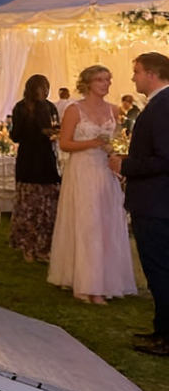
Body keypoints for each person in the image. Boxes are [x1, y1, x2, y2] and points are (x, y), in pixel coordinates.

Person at [48, 65, 137, 305]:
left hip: (105, 172)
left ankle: (107, 279)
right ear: (88, 83)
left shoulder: (114, 110)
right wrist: (93, 143)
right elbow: (64, 144)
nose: (105, 84)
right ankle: (87, 284)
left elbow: (113, 142)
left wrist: (115, 154)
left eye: (108, 79)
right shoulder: (74, 109)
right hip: (82, 170)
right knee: (88, 223)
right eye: (100, 80)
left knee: (107, 223)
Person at [108, 52, 169, 356]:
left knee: (159, 271)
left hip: (156, 203)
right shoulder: (160, 103)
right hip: (157, 201)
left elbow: (165, 158)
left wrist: (126, 165)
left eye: (137, 72)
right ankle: (161, 330)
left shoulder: (162, 105)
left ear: (152, 74)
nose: (133, 78)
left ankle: (166, 337)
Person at [8, 75, 61, 262]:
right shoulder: (23, 108)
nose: (45, 91)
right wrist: (40, 132)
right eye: (43, 87)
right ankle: (31, 246)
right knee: (33, 206)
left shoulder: (48, 107)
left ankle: (40, 246)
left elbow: (55, 127)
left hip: (43, 160)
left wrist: (53, 132)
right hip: (32, 160)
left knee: (43, 206)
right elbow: (16, 135)